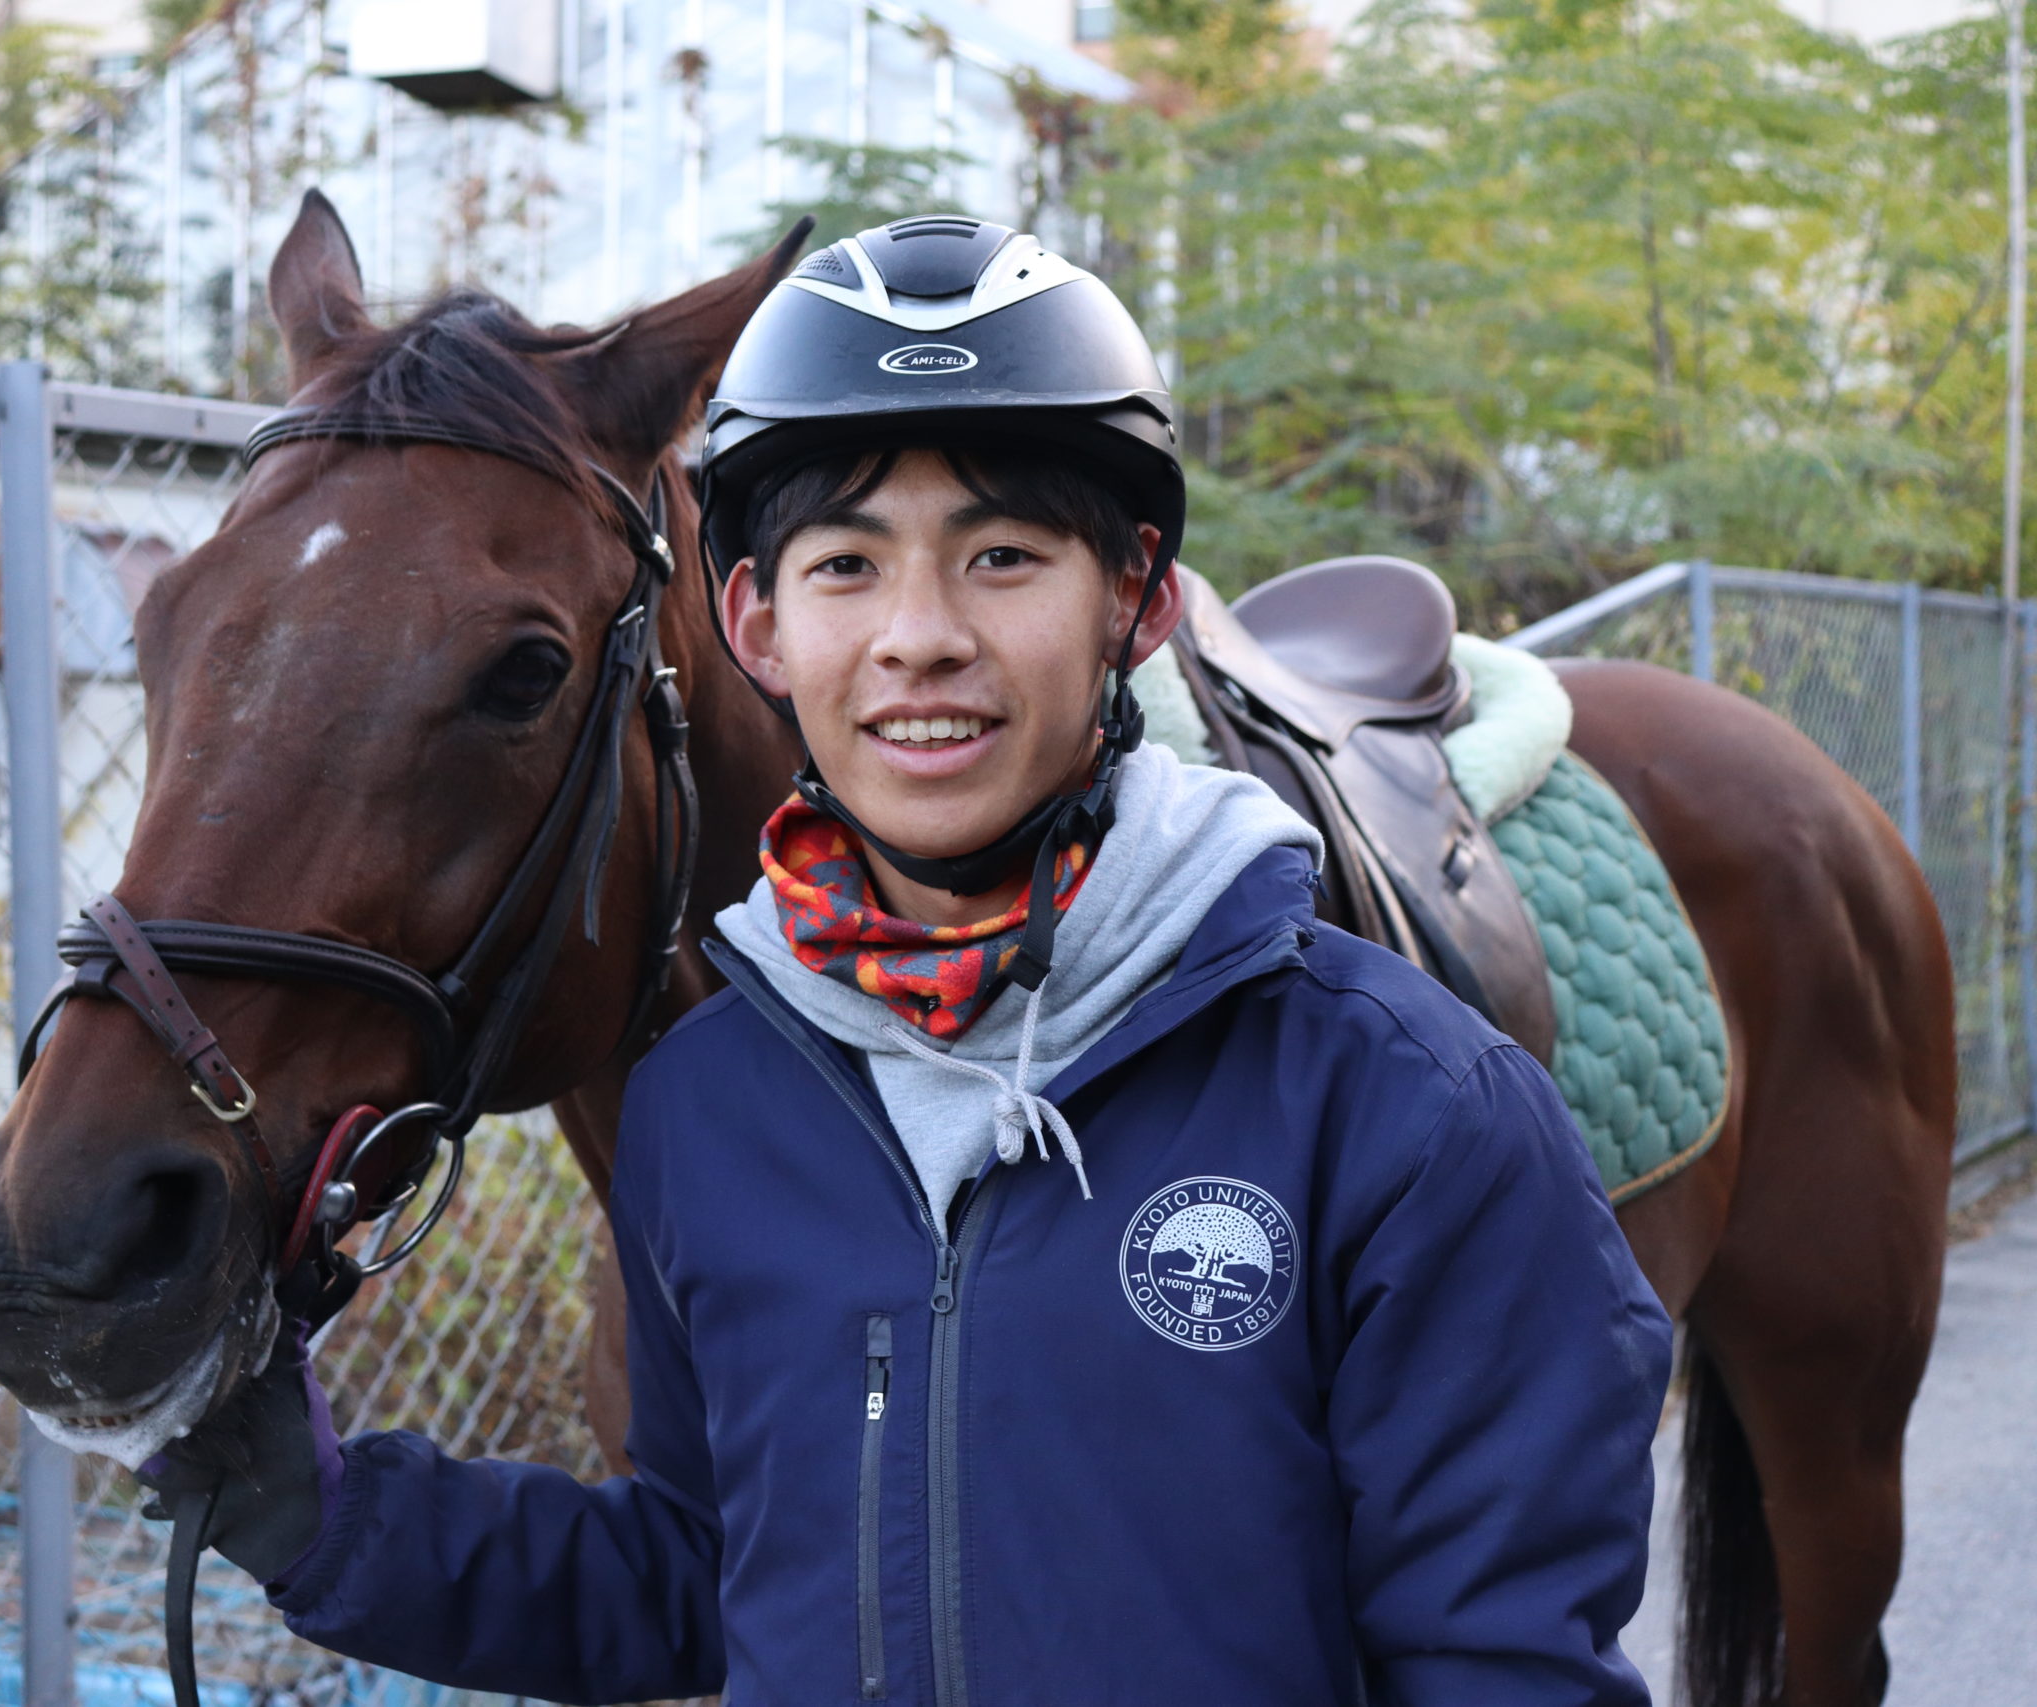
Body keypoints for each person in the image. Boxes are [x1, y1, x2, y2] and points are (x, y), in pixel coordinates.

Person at [146, 216, 1672, 1706]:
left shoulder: (1410, 1107)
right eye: (848, 568)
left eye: (1002, 556)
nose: (919, 636)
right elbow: (707, 1575)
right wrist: (336, 1523)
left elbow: (1503, 1663)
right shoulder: (709, 1108)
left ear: (1133, 600)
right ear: (753, 624)